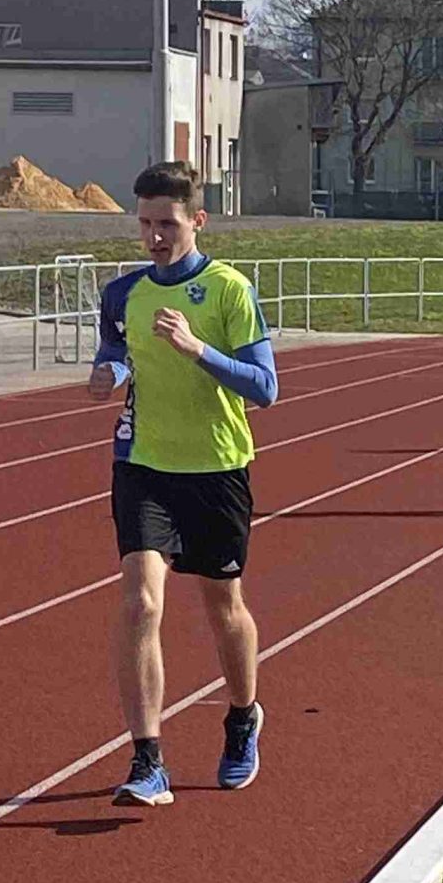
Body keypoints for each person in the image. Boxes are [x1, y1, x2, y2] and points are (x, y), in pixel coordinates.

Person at [89, 160, 279, 806]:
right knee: (141, 603)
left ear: (198, 221)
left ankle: (242, 715)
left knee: (224, 608)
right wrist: (109, 376)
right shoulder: (123, 294)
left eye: (167, 224)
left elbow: (266, 387)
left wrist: (199, 349)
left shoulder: (229, 290)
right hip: (143, 464)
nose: (154, 237)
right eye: (145, 224)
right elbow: (116, 353)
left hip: (217, 466)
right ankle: (147, 759)